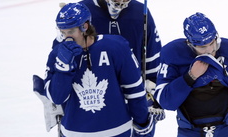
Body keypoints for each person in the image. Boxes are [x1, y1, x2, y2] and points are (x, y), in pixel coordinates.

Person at [43, 3, 155, 136]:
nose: (67, 38)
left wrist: (142, 121)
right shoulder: (57, 54)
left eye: (71, 31)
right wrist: (63, 69)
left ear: (85, 26)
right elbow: (57, 98)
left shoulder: (116, 47)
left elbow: (134, 90)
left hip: (118, 132)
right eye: (63, 32)